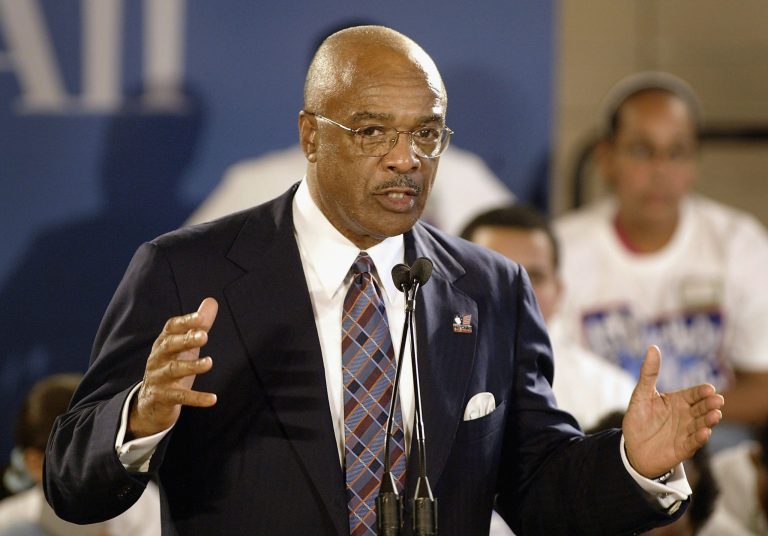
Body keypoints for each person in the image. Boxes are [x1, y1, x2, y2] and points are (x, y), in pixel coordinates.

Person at [44, 26, 724, 535]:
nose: (406, 159)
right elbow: (72, 483)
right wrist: (138, 417)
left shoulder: (491, 289)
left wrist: (634, 462)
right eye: (373, 132)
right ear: (311, 136)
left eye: (427, 134)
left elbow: (539, 486)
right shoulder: (186, 271)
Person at [554, 72, 768, 440]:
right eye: (641, 150)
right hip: (603, 439)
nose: (660, 171)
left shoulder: (739, 242)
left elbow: (762, 386)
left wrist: (677, 416)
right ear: (606, 158)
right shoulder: (563, 250)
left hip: (711, 438)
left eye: (677, 152)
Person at [460, 204, 636, 430]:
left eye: (535, 277)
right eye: (496, 273)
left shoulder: (611, 393)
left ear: (559, 290)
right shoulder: (417, 376)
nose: (518, 291)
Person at [0, 374, 160, 535]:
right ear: (34, 463)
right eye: (76, 458)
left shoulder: (145, 509)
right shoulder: (10, 522)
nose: (95, 462)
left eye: (99, 445)